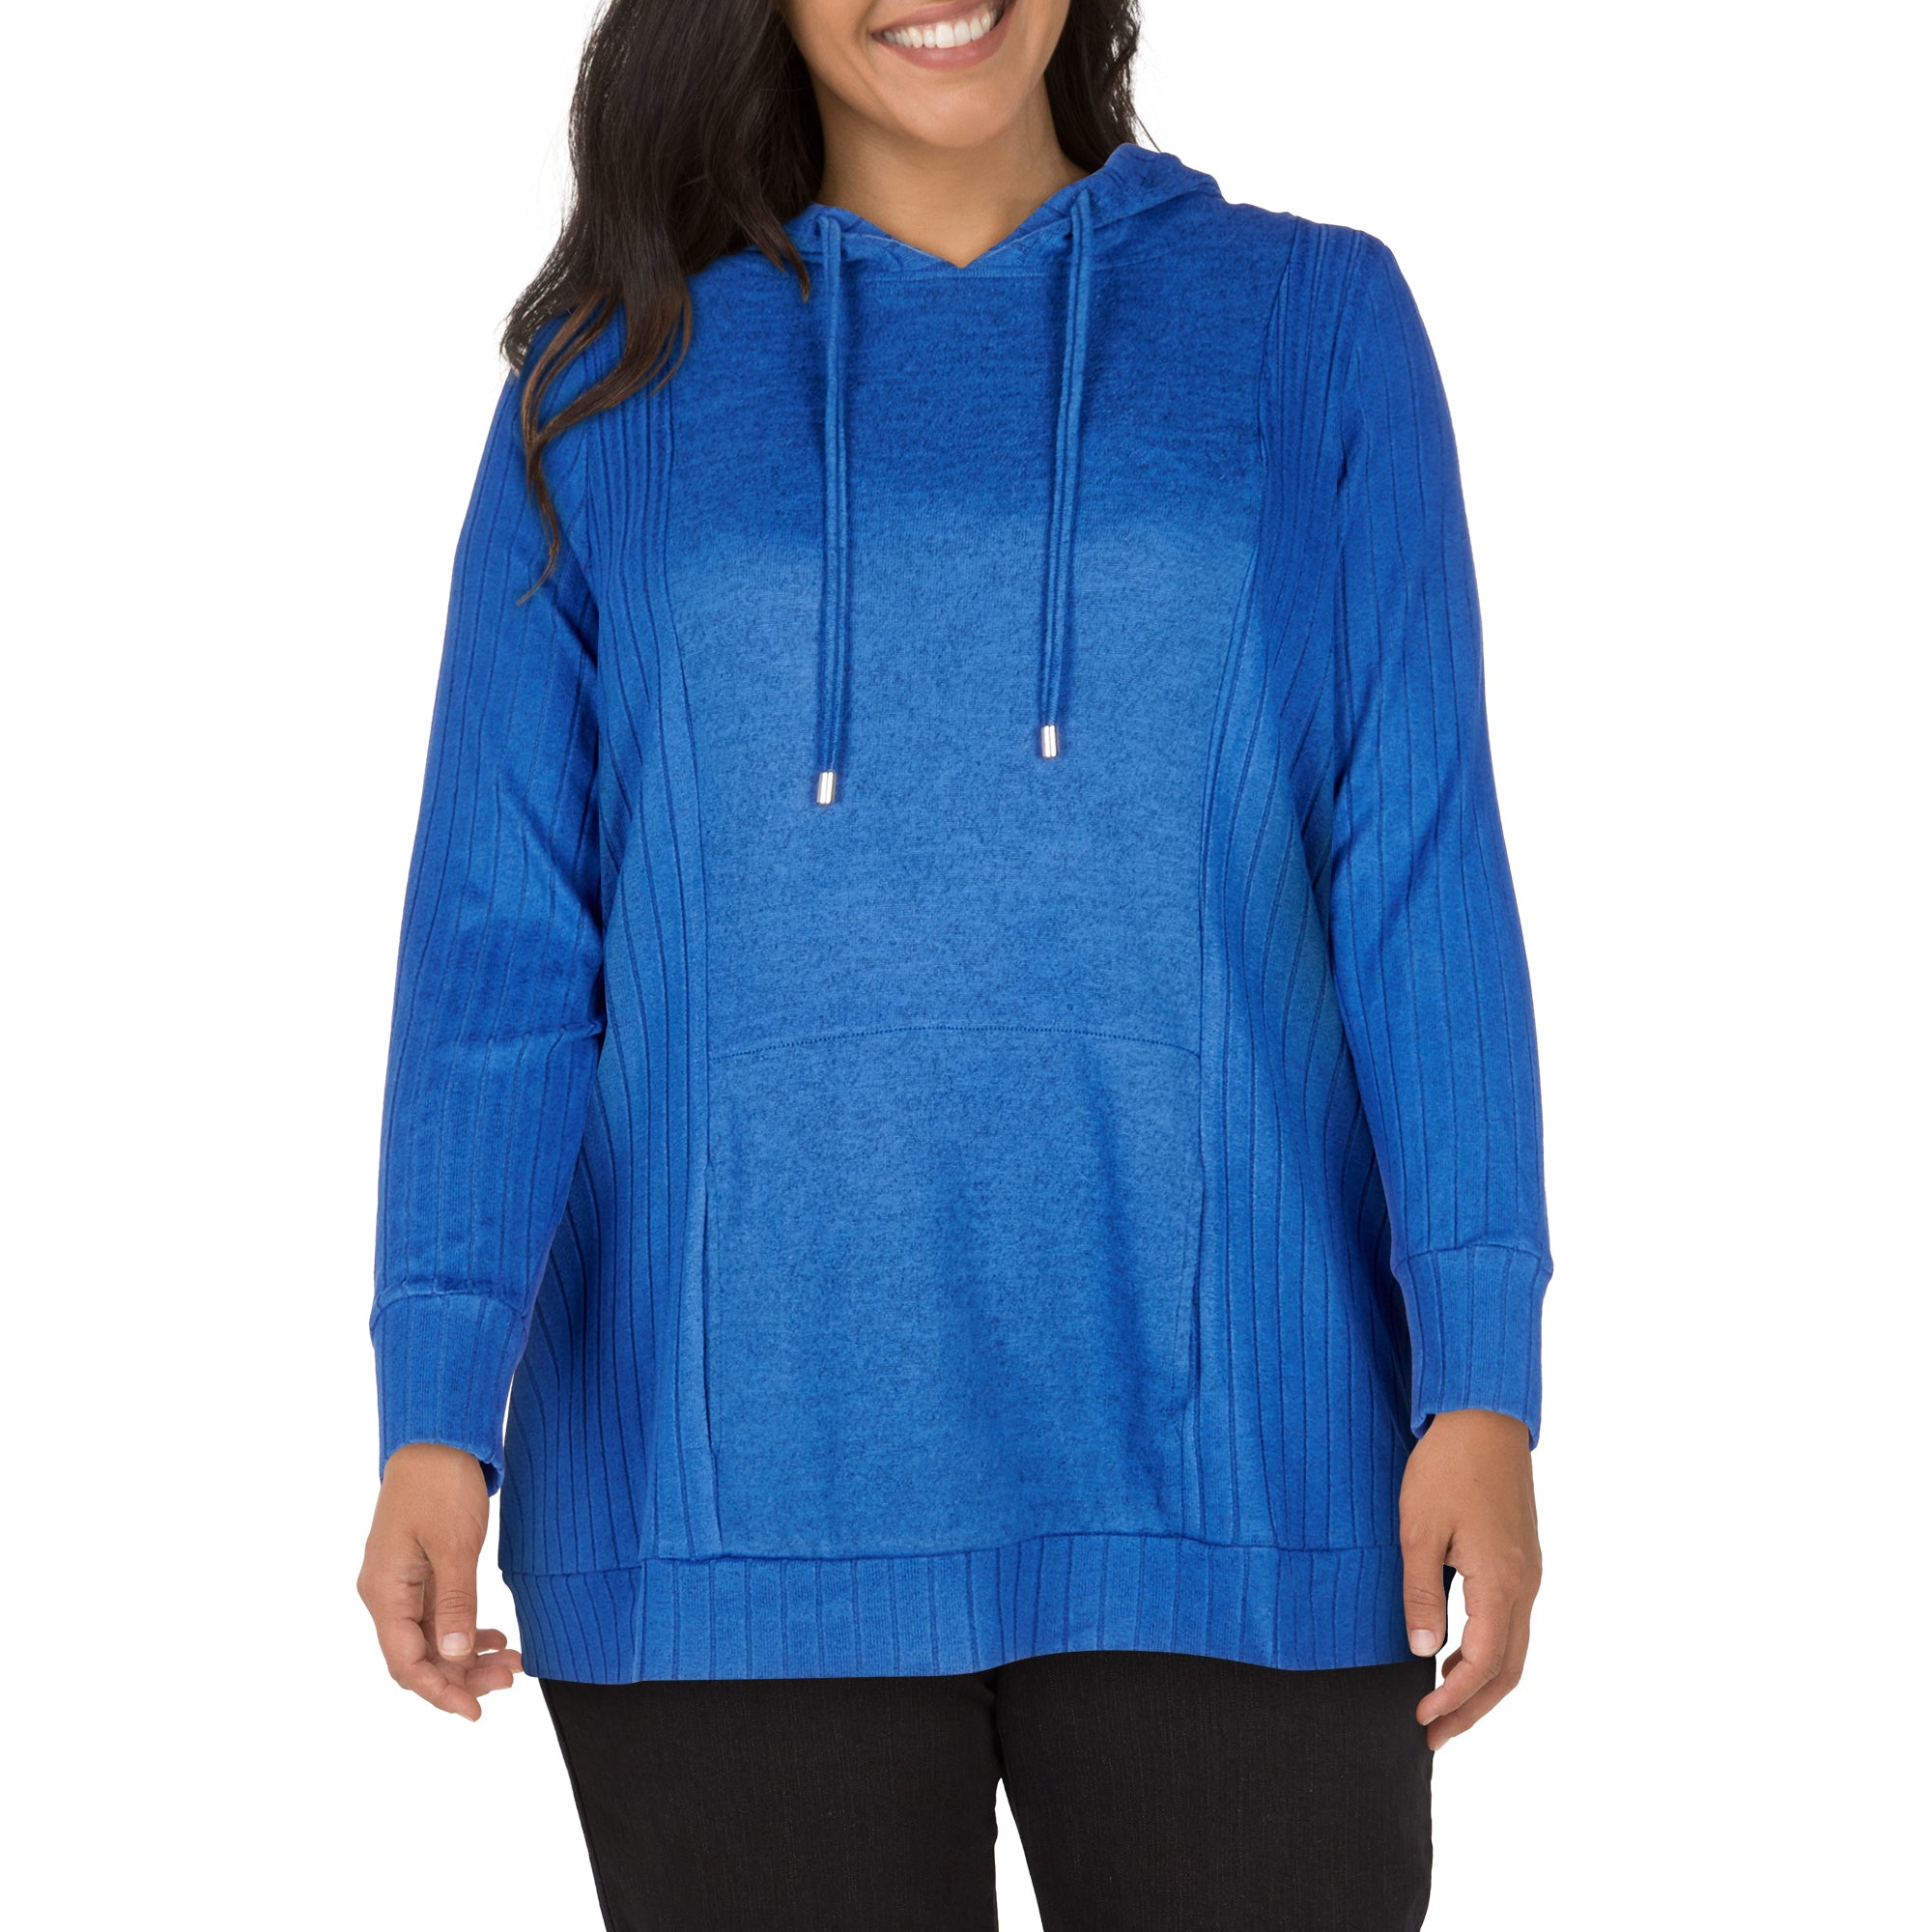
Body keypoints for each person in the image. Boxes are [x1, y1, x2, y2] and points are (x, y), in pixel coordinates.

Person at [356, 2, 1552, 1925]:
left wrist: (1481, 1379)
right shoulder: (603, 387)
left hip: (1243, 1477)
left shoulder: (1312, 327)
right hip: (725, 1502)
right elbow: (502, 944)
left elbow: (1419, 874)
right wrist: (435, 1406)